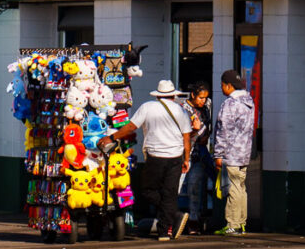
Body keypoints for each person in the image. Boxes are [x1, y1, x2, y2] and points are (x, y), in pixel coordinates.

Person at [99, 79, 192, 241]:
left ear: (158, 95)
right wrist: (187, 159)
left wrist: (112, 137)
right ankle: (164, 231)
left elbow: (130, 127)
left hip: (155, 157)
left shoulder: (147, 107)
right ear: (173, 95)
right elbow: (186, 138)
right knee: (169, 194)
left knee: (147, 191)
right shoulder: (180, 110)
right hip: (176, 157)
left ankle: (171, 215)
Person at [213, 69, 256, 236]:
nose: (222, 88)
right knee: (241, 188)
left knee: (233, 189)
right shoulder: (249, 102)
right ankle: (241, 223)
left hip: (231, 154)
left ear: (229, 86)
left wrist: (218, 154)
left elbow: (223, 130)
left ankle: (232, 224)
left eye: (223, 85)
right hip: (244, 153)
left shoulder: (230, 104)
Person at [178, 81, 212, 234]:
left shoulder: (206, 108)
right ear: (193, 95)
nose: (203, 101)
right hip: (184, 154)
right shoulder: (183, 109)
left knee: (194, 187)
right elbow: (180, 135)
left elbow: (208, 126)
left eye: (205, 98)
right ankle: (173, 219)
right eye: (200, 98)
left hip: (200, 154)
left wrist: (206, 135)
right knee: (178, 187)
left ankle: (194, 219)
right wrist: (194, 132)